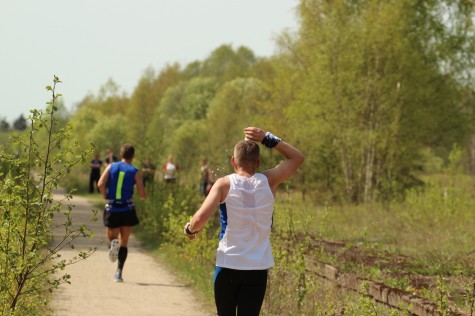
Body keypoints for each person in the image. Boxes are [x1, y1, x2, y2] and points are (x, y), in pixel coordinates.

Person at [183, 127, 304, 316]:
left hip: (228, 264)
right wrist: (267, 138)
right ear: (258, 163)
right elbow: (297, 158)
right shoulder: (269, 181)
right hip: (257, 268)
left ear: (233, 161)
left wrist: (190, 229)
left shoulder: (223, 184)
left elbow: (200, 218)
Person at [98, 144, 147, 282]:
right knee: (124, 242)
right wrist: (143, 196)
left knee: (111, 236)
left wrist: (104, 195)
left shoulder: (111, 167)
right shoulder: (135, 171)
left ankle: (112, 243)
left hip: (112, 206)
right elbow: (141, 192)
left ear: (121, 154)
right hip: (127, 208)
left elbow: (100, 184)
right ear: (133, 156)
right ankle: (118, 272)